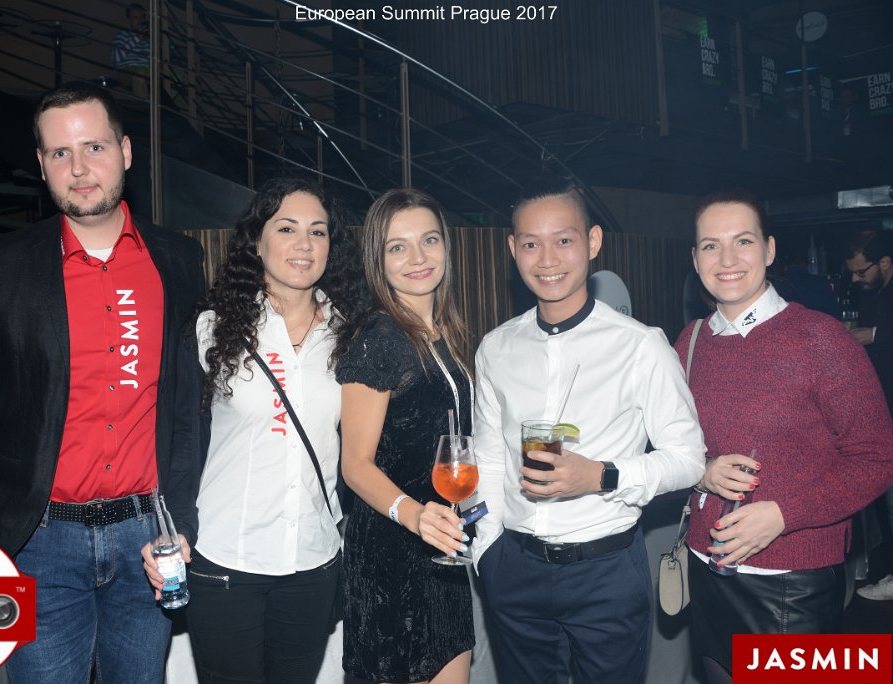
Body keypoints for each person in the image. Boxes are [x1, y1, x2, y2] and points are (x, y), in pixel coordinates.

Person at [0, 82, 205, 683]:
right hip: (37, 541)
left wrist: (182, 520)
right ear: (41, 165)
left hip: (149, 541)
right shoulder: (2, 265)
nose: (79, 169)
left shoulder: (179, 261)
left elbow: (188, 406)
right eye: (60, 153)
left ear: (126, 152)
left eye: (95, 147)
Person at [472, 176, 705, 684]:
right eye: (531, 244)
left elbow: (689, 459)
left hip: (607, 572)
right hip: (514, 568)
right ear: (512, 249)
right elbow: (488, 457)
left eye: (564, 240)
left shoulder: (641, 346)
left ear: (593, 241)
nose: (547, 259)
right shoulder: (495, 348)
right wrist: (487, 549)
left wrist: (600, 475)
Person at [144, 177, 368, 684]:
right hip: (226, 557)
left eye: (318, 231)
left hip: (314, 560)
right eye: (286, 228)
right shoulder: (211, 327)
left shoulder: (352, 333)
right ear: (257, 242)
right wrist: (176, 528)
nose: (304, 244)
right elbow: (181, 441)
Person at [676, 192, 893, 683]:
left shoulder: (822, 340)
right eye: (710, 246)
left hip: (791, 585)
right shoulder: (689, 341)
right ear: (695, 258)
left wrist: (783, 515)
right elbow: (674, 446)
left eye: (743, 241)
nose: (727, 259)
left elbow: (877, 458)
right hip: (706, 569)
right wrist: (703, 472)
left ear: (769, 250)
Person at [337, 188, 475, 683]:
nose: (418, 258)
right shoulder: (379, 339)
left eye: (429, 240)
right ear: (377, 260)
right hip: (390, 553)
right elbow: (354, 464)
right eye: (398, 246)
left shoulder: (442, 330)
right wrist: (414, 515)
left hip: (442, 544)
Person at [844, 229, 893, 601]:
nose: (856, 279)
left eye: (862, 271)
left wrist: (872, 335)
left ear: (885, 263)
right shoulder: (873, 294)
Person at [112, 3, 150, 99]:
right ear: (130, 20)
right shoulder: (122, 35)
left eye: (142, 17)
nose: (140, 21)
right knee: (139, 74)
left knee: (177, 76)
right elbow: (116, 59)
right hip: (127, 70)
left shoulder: (150, 39)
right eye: (136, 18)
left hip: (148, 70)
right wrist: (137, 37)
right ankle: (142, 107)